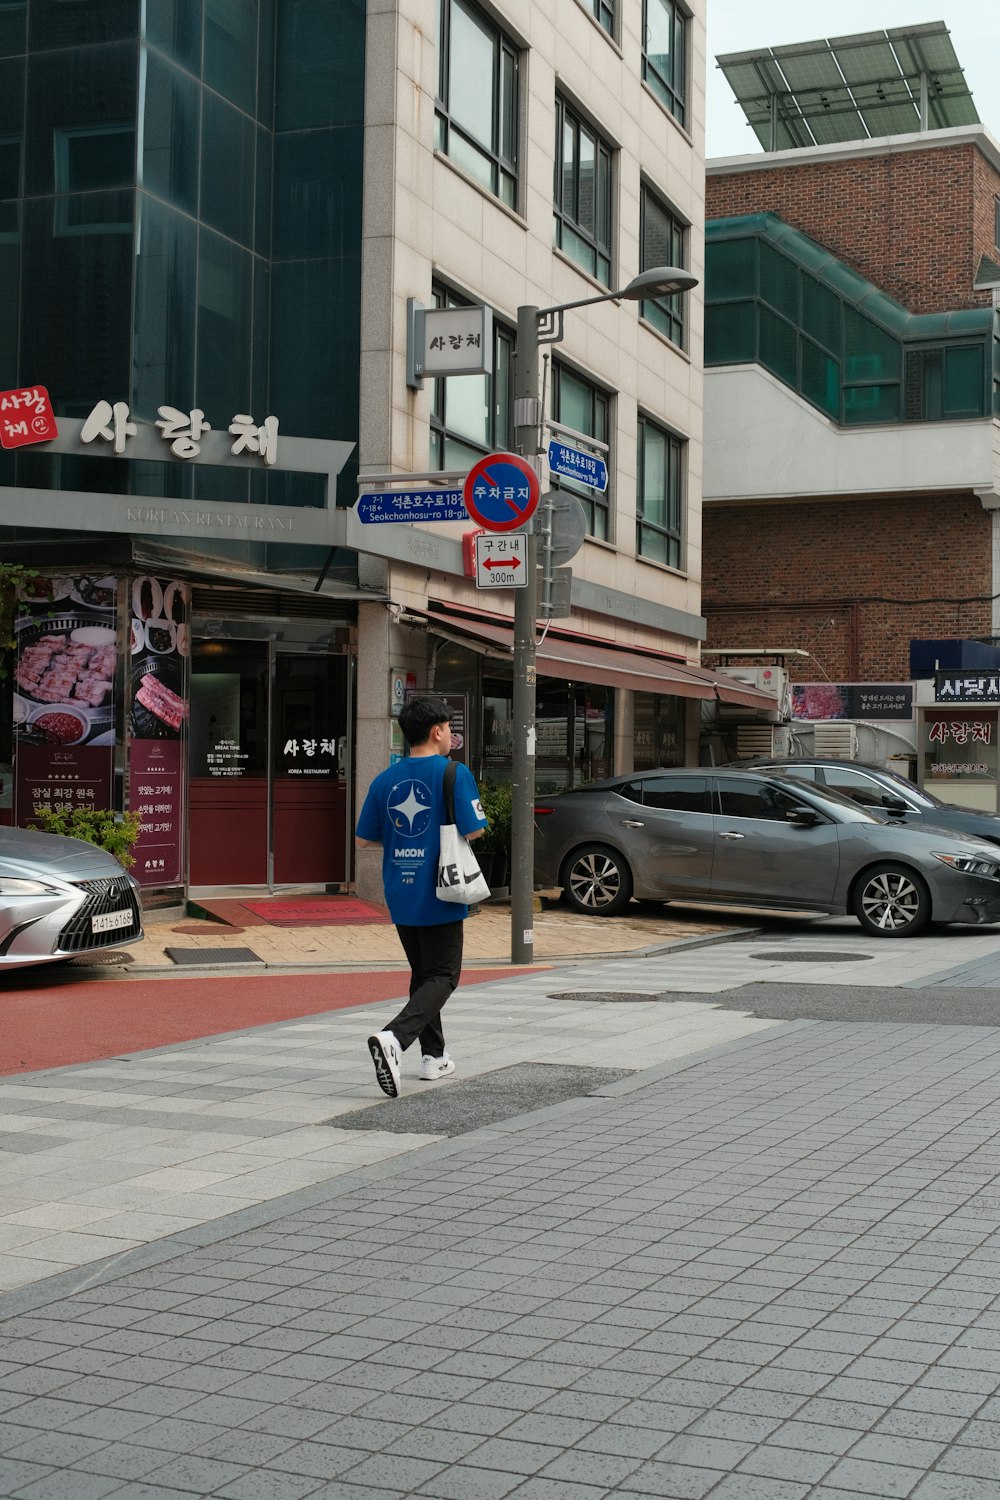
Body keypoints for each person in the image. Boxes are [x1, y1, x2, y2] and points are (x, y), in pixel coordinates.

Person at [356, 696, 487, 1096]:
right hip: (442, 888)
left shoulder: (384, 780)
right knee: (444, 975)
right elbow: (475, 830)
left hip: (400, 889)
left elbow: (364, 839)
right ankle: (394, 1038)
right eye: (449, 728)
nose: (451, 735)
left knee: (423, 974)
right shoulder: (453, 772)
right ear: (437, 731)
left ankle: (434, 1057)